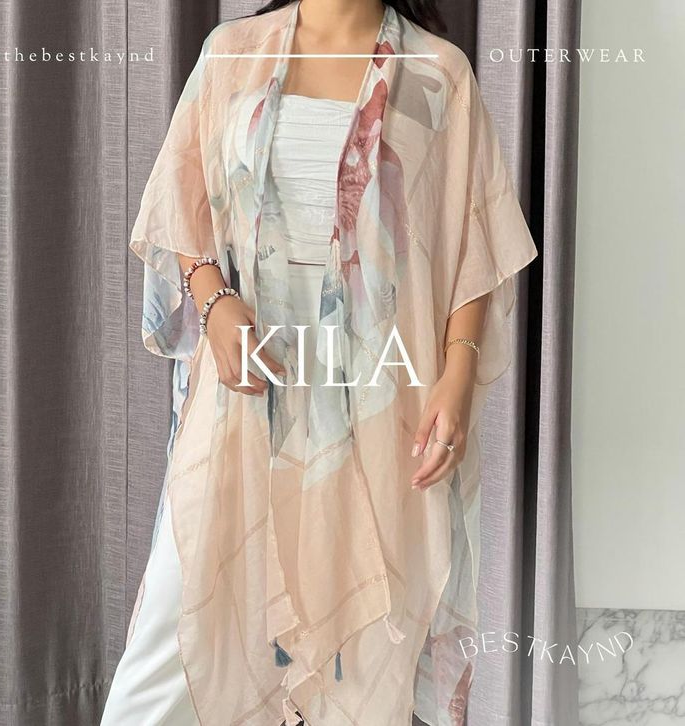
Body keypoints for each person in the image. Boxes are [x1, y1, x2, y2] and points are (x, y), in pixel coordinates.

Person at [101, 0, 538, 724]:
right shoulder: (233, 53)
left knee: (360, 661)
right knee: (169, 652)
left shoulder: (437, 73)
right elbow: (181, 206)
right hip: (244, 402)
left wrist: (458, 374)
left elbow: (474, 241)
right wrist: (213, 304)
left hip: (378, 410)